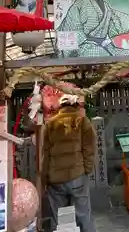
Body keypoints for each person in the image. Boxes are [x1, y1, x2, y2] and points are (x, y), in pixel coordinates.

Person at [42, 94, 96, 232]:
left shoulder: (50, 124)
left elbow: (45, 154)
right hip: (77, 176)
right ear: (76, 106)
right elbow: (89, 149)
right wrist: (87, 170)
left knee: (60, 218)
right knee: (83, 215)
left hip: (56, 180)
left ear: (60, 106)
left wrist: (45, 178)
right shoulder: (82, 121)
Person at [57, 0, 129, 57]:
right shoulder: (81, 3)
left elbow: (116, 17)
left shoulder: (105, 5)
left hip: (104, 44)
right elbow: (71, 24)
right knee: (103, 54)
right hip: (84, 45)